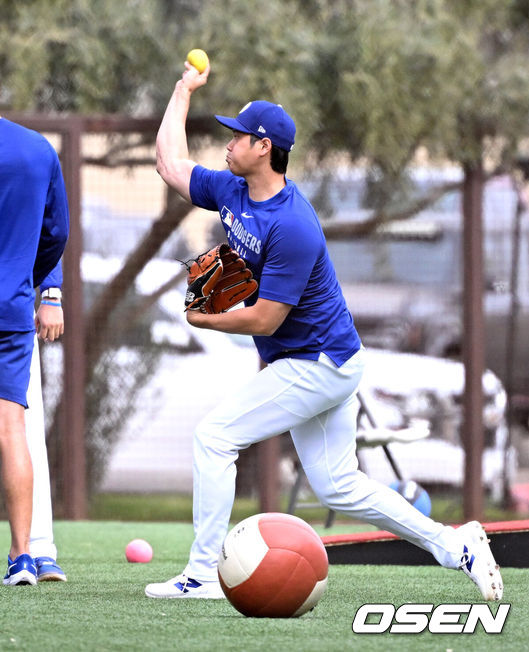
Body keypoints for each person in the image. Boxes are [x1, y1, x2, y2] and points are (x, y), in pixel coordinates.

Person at [145, 61, 503, 602]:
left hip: (317, 363)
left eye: (238, 136)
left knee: (214, 438)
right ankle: (456, 545)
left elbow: (266, 319)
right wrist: (181, 91)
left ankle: (202, 574)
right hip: (328, 360)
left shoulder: (293, 225)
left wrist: (203, 319)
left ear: (263, 147)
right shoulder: (234, 192)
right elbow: (169, 164)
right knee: (339, 485)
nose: (228, 143)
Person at [0, 117, 69, 586]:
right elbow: (57, 232)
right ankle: (23, 557)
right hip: (10, 307)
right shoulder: (35, 147)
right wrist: (33, 283)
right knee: (11, 428)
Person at [25, 263, 67, 581]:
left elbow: (50, 222)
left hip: (13, 306)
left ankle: (39, 548)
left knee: (26, 430)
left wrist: (51, 294)